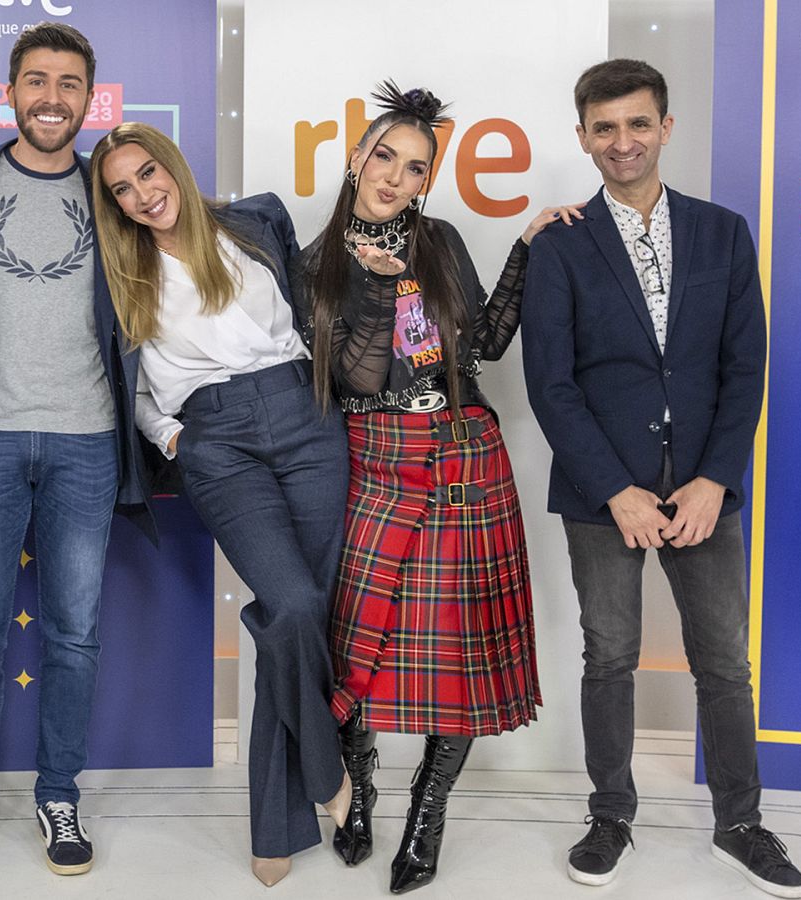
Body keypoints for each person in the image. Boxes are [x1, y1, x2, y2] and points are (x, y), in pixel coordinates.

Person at [521, 59, 801, 898]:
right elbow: (551, 384)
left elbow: (744, 367)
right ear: (583, 137)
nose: (623, 141)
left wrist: (716, 478)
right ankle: (610, 815)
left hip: (703, 490)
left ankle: (740, 823)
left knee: (723, 661)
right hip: (601, 491)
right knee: (609, 656)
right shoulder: (560, 245)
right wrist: (616, 489)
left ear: (665, 128)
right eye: (605, 128)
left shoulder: (723, 232)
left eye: (638, 123)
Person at [303, 82, 578, 894]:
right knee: (357, 644)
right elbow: (353, 376)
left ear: (428, 179)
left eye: (415, 167)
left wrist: (525, 248)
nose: (395, 177)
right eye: (384, 157)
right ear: (357, 157)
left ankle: (429, 810)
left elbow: (479, 346)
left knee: (456, 651)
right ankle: (357, 793)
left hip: (464, 455)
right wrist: (385, 286)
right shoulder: (313, 264)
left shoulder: (441, 241)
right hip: (373, 460)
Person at [0, 21, 153, 878]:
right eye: (38, 81)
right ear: (11, 90)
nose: (53, 98)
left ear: (91, 99)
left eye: (69, 84)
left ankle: (59, 795)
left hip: (89, 440)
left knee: (74, 635)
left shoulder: (115, 189)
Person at [91, 122, 354, 887]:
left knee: (297, 621)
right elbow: (133, 387)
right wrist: (175, 439)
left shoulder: (257, 220)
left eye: (148, 173)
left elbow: (312, 309)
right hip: (216, 439)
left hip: (306, 416)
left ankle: (274, 831)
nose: (143, 195)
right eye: (123, 189)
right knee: (292, 603)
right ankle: (327, 768)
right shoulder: (121, 273)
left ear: (171, 164)